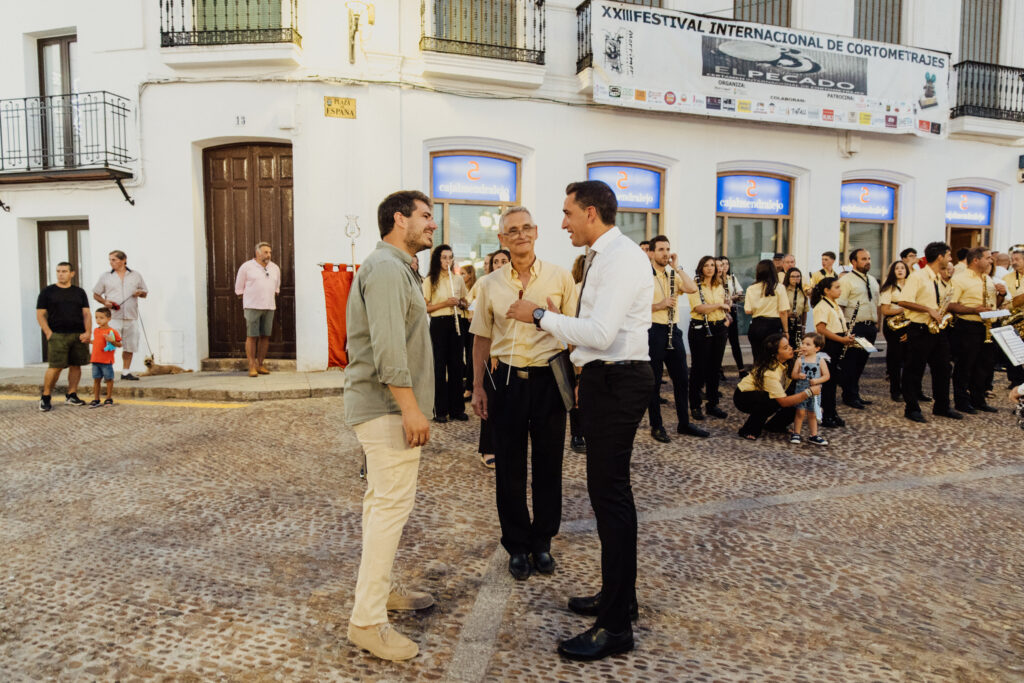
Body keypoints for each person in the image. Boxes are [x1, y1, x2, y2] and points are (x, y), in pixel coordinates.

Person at [508, 180, 652, 660]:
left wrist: (540, 318)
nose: (563, 222)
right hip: (605, 379)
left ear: (591, 213)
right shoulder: (602, 256)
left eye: (567, 213)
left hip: (618, 381)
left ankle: (614, 628)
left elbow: (602, 333)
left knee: (610, 499)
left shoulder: (621, 257)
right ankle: (620, 599)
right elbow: (593, 333)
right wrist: (558, 320)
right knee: (609, 497)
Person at [344, 190, 437, 662]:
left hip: (386, 407)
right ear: (398, 220)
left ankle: (378, 595)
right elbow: (387, 347)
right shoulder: (384, 269)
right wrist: (410, 407)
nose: (432, 225)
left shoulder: (398, 268)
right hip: (386, 408)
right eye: (425, 216)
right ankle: (366, 622)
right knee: (389, 511)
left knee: (380, 507)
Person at [471, 206, 577, 582]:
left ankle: (543, 541)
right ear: (502, 238)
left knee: (549, 466)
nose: (520, 235)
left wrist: (553, 322)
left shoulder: (560, 278)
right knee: (509, 469)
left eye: (526, 228)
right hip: (506, 381)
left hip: (549, 379)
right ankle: (516, 545)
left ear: (536, 232)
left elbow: (576, 332)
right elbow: (482, 337)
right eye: (512, 230)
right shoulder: (489, 284)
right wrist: (479, 386)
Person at [645, 235, 708, 442]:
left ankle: (684, 423)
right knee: (653, 381)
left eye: (668, 249)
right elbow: (634, 307)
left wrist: (677, 266)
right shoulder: (644, 275)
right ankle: (656, 425)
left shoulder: (674, 274)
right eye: (661, 249)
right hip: (654, 331)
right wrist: (659, 305)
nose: (665, 253)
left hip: (673, 331)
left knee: (682, 379)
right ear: (652, 253)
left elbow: (692, 288)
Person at [898, 241, 962, 423]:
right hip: (919, 329)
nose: (951, 259)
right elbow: (903, 301)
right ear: (940, 257)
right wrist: (928, 310)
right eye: (949, 256)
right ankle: (911, 408)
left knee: (943, 368)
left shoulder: (938, 278)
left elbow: (943, 301)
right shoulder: (918, 277)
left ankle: (942, 406)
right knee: (914, 369)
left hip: (937, 330)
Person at [734, 333, 820, 440]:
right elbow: (783, 402)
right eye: (785, 348)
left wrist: (807, 358)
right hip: (744, 397)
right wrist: (809, 392)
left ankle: (775, 426)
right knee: (770, 401)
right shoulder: (770, 372)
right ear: (775, 354)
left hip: (766, 393)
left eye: (789, 346)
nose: (790, 348)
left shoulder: (788, 361)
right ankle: (748, 429)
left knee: (798, 397)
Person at [949, 247, 1000, 414]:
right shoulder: (959, 279)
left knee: (984, 365)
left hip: (987, 327)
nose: (991, 261)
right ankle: (961, 401)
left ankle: (978, 399)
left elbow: (993, 304)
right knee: (965, 364)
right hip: (968, 326)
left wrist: (1001, 295)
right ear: (976, 260)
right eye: (987, 258)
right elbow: (951, 304)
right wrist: (974, 310)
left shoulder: (987, 278)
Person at [36, 262, 92, 411]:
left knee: (76, 365)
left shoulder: (79, 292)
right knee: (55, 367)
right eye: (58, 271)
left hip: (78, 335)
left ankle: (71, 395)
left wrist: (88, 332)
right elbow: (40, 314)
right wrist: (48, 332)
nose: (61, 274)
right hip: (57, 335)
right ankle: (46, 397)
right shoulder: (47, 292)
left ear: (72, 274)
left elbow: (86, 313)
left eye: (64, 271)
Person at [423, 244, 469, 423]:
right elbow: (426, 308)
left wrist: (460, 303)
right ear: (437, 259)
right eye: (444, 258)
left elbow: (465, 302)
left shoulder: (457, 280)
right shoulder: (429, 281)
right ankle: (440, 410)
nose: (447, 261)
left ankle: (457, 409)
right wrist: (445, 303)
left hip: (456, 322)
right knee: (439, 367)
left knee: (457, 366)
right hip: (439, 324)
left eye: (450, 258)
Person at [93, 250, 148, 380]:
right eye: (110, 260)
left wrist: (140, 293)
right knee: (109, 344)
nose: (111, 262)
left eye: (114, 260)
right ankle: (106, 372)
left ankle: (125, 372)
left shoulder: (136, 275)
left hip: (131, 316)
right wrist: (104, 302)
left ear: (123, 260)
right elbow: (96, 294)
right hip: (113, 317)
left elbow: (145, 293)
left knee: (130, 345)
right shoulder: (105, 276)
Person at [687, 255, 730, 420]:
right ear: (701, 267)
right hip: (700, 328)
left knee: (714, 368)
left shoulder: (719, 284)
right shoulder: (694, 285)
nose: (711, 268)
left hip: (718, 327)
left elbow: (723, 305)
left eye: (713, 265)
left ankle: (712, 404)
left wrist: (726, 309)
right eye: (706, 265)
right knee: (699, 368)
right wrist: (719, 305)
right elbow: (699, 308)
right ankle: (695, 405)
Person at [837, 248, 880, 409]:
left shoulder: (872, 280)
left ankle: (855, 393)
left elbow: (876, 303)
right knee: (851, 363)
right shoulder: (846, 280)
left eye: (868, 258)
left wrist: (877, 325)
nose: (867, 261)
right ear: (853, 262)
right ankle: (849, 395)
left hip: (870, 327)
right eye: (863, 259)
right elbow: (840, 305)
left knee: (861, 362)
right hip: (854, 327)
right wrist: (844, 330)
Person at [811, 277, 854, 428]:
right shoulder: (822, 306)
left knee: (834, 379)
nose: (840, 290)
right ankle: (826, 414)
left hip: (838, 341)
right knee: (828, 382)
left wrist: (846, 336)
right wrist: (841, 340)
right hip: (830, 345)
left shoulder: (834, 304)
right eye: (836, 287)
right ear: (826, 290)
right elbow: (821, 329)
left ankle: (832, 411)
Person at [234, 242, 281, 378]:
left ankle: (260, 364)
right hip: (252, 306)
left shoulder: (274, 268)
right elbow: (239, 288)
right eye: (266, 252)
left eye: (270, 252)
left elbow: (277, 287)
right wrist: (250, 298)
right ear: (257, 253)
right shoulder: (247, 267)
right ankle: (251, 366)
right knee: (252, 336)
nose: (269, 255)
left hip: (269, 306)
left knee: (265, 336)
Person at [745, 259, 790, 365]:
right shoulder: (779, 287)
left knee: (758, 358)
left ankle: (757, 379)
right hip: (773, 325)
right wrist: (786, 331)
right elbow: (783, 311)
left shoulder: (751, 288)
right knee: (773, 359)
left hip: (757, 324)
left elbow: (748, 310)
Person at [790, 332, 829, 446]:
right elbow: (793, 375)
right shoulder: (800, 360)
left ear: (817, 348)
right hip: (801, 391)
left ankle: (814, 435)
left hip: (815, 392)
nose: (803, 346)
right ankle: (796, 433)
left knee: (812, 413)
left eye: (808, 344)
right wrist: (799, 376)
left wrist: (817, 381)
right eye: (803, 343)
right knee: (800, 412)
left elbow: (826, 376)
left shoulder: (820, 360)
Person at [879, 260, 910, 402]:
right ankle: (895, 390)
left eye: (902, 268)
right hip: (893, 325)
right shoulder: (888, 288)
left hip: (909, 324)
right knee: (895, 358)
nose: (900, 270)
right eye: (896, 268)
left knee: (910, 358)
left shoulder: (912, 286)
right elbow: (885, 310)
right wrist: (904, 308)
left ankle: (911, 390)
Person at [568, 253, 588, 454]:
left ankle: (578, 434)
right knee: (579, 392)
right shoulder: (578, 290)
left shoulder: (573, 289)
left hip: (576, 345)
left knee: (577, 393)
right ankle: (579, 434)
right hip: (581, 346)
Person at [717, 256, 746, 377]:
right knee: (720, 342)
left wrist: (731, 297)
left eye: (727, 264)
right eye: (722, 264)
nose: (725, 266)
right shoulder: (715, 279)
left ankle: (741, 369)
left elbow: (739, 293)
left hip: (731, 311)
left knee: (735, 342)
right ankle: (718, 369)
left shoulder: (732, 278)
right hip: (719, 312)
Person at [88, 307, 122, 408]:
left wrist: (112, 340)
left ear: (109, 319)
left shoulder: (112, 331)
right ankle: (96, 399)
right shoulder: (96, 330)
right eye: (96, 318)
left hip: (106, 361)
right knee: (96, 379)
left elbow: (119, 344)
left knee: (109, 379)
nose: (98, 320)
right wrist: (89, 341)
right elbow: (97, 342)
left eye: (101, 318)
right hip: (95, 360)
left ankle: (108, 398)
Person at [1002, 248, 1024, 388]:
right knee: (1011, 351)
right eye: (1012, 260)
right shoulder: (1007, 278)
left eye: (1017, 259)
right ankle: (1015, 379)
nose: (1014, 262)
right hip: (1013, 319)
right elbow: (1005, 300)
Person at [460, 264, 478, 398]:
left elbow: (471, 304)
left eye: (463, 273)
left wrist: (465, 304)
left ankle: (470, 386)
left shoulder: (474, 287)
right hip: (463, 321)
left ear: (470, 275)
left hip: (472, 323)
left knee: (472, 353)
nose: (461, 276)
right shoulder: (462, 288)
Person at [784, 267, 809, 352]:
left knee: (796, 348)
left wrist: (803, 326)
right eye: (793, 277)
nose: (796, 279)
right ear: (788, 278)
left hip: (797, 324)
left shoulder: (803, 292)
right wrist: (787, 314)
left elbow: (805, 311)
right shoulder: (783, 290)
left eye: (798, 276)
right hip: (785, 323)